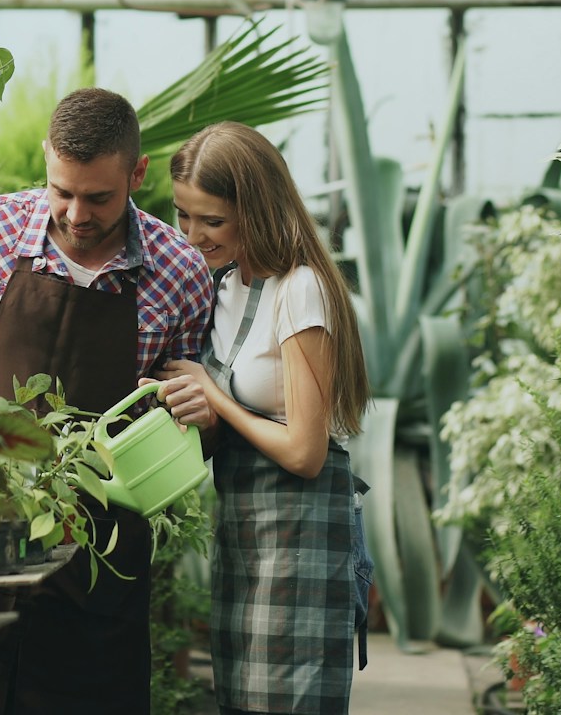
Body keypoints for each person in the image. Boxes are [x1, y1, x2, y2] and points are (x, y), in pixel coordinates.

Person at [0, 87, 213, 715]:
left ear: (137, 174)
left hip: (98, 558)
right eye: (62, 191)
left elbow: (187, 419)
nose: (76, 213)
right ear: (46, 160)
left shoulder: (180, 272)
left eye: (99, 197)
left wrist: (199, 412)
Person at [148, 121, 371, 715]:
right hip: (243, 528)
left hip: (301, 533)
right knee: (240, 700)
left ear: (256, 209)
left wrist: (214, 398)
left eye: (212, 221)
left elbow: (306, 450)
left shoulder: (301, 289)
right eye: (183, 216)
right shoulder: (223, 288)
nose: (192, 235)